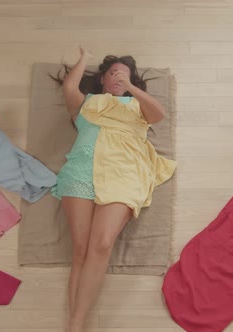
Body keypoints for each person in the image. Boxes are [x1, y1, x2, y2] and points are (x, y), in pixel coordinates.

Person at [50, 47, 176, 332]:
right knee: (80, 249)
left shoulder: (136, 106)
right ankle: (76, 324)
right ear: (103, 80)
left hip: (123, 172)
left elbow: (159, 114)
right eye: (112, 73)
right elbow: (70, 86)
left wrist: (131, 87)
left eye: (124, 74)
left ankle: (75, 324)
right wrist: (83, 58)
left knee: (102, 244)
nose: (118, 77)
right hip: (83, 169)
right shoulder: (88, 104)